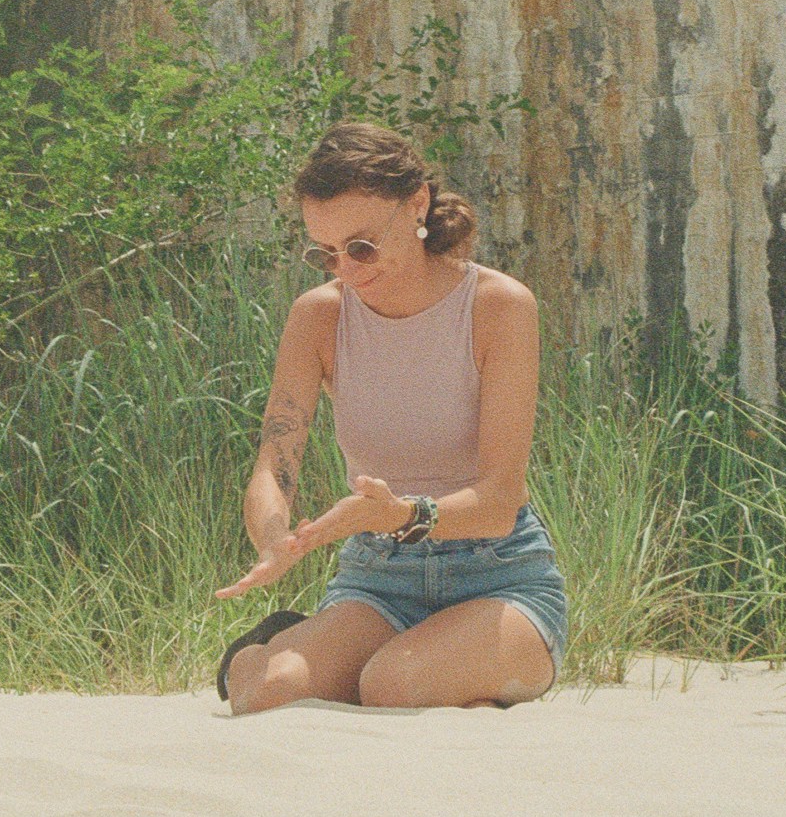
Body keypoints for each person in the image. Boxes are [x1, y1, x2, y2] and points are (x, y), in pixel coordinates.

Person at [213, 121, 567, 712]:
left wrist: (402, 513)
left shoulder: (499, 306)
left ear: (418, 205)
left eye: (361, 247)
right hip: (378, 577)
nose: (346, 270)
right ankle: (284, 645)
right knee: (263, 694)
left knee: (394, 685)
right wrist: (274, 538)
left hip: (500, 574)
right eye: (325, 253)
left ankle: (419, 657)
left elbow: (502, 496)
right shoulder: (318, 317)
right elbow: (274, 467)